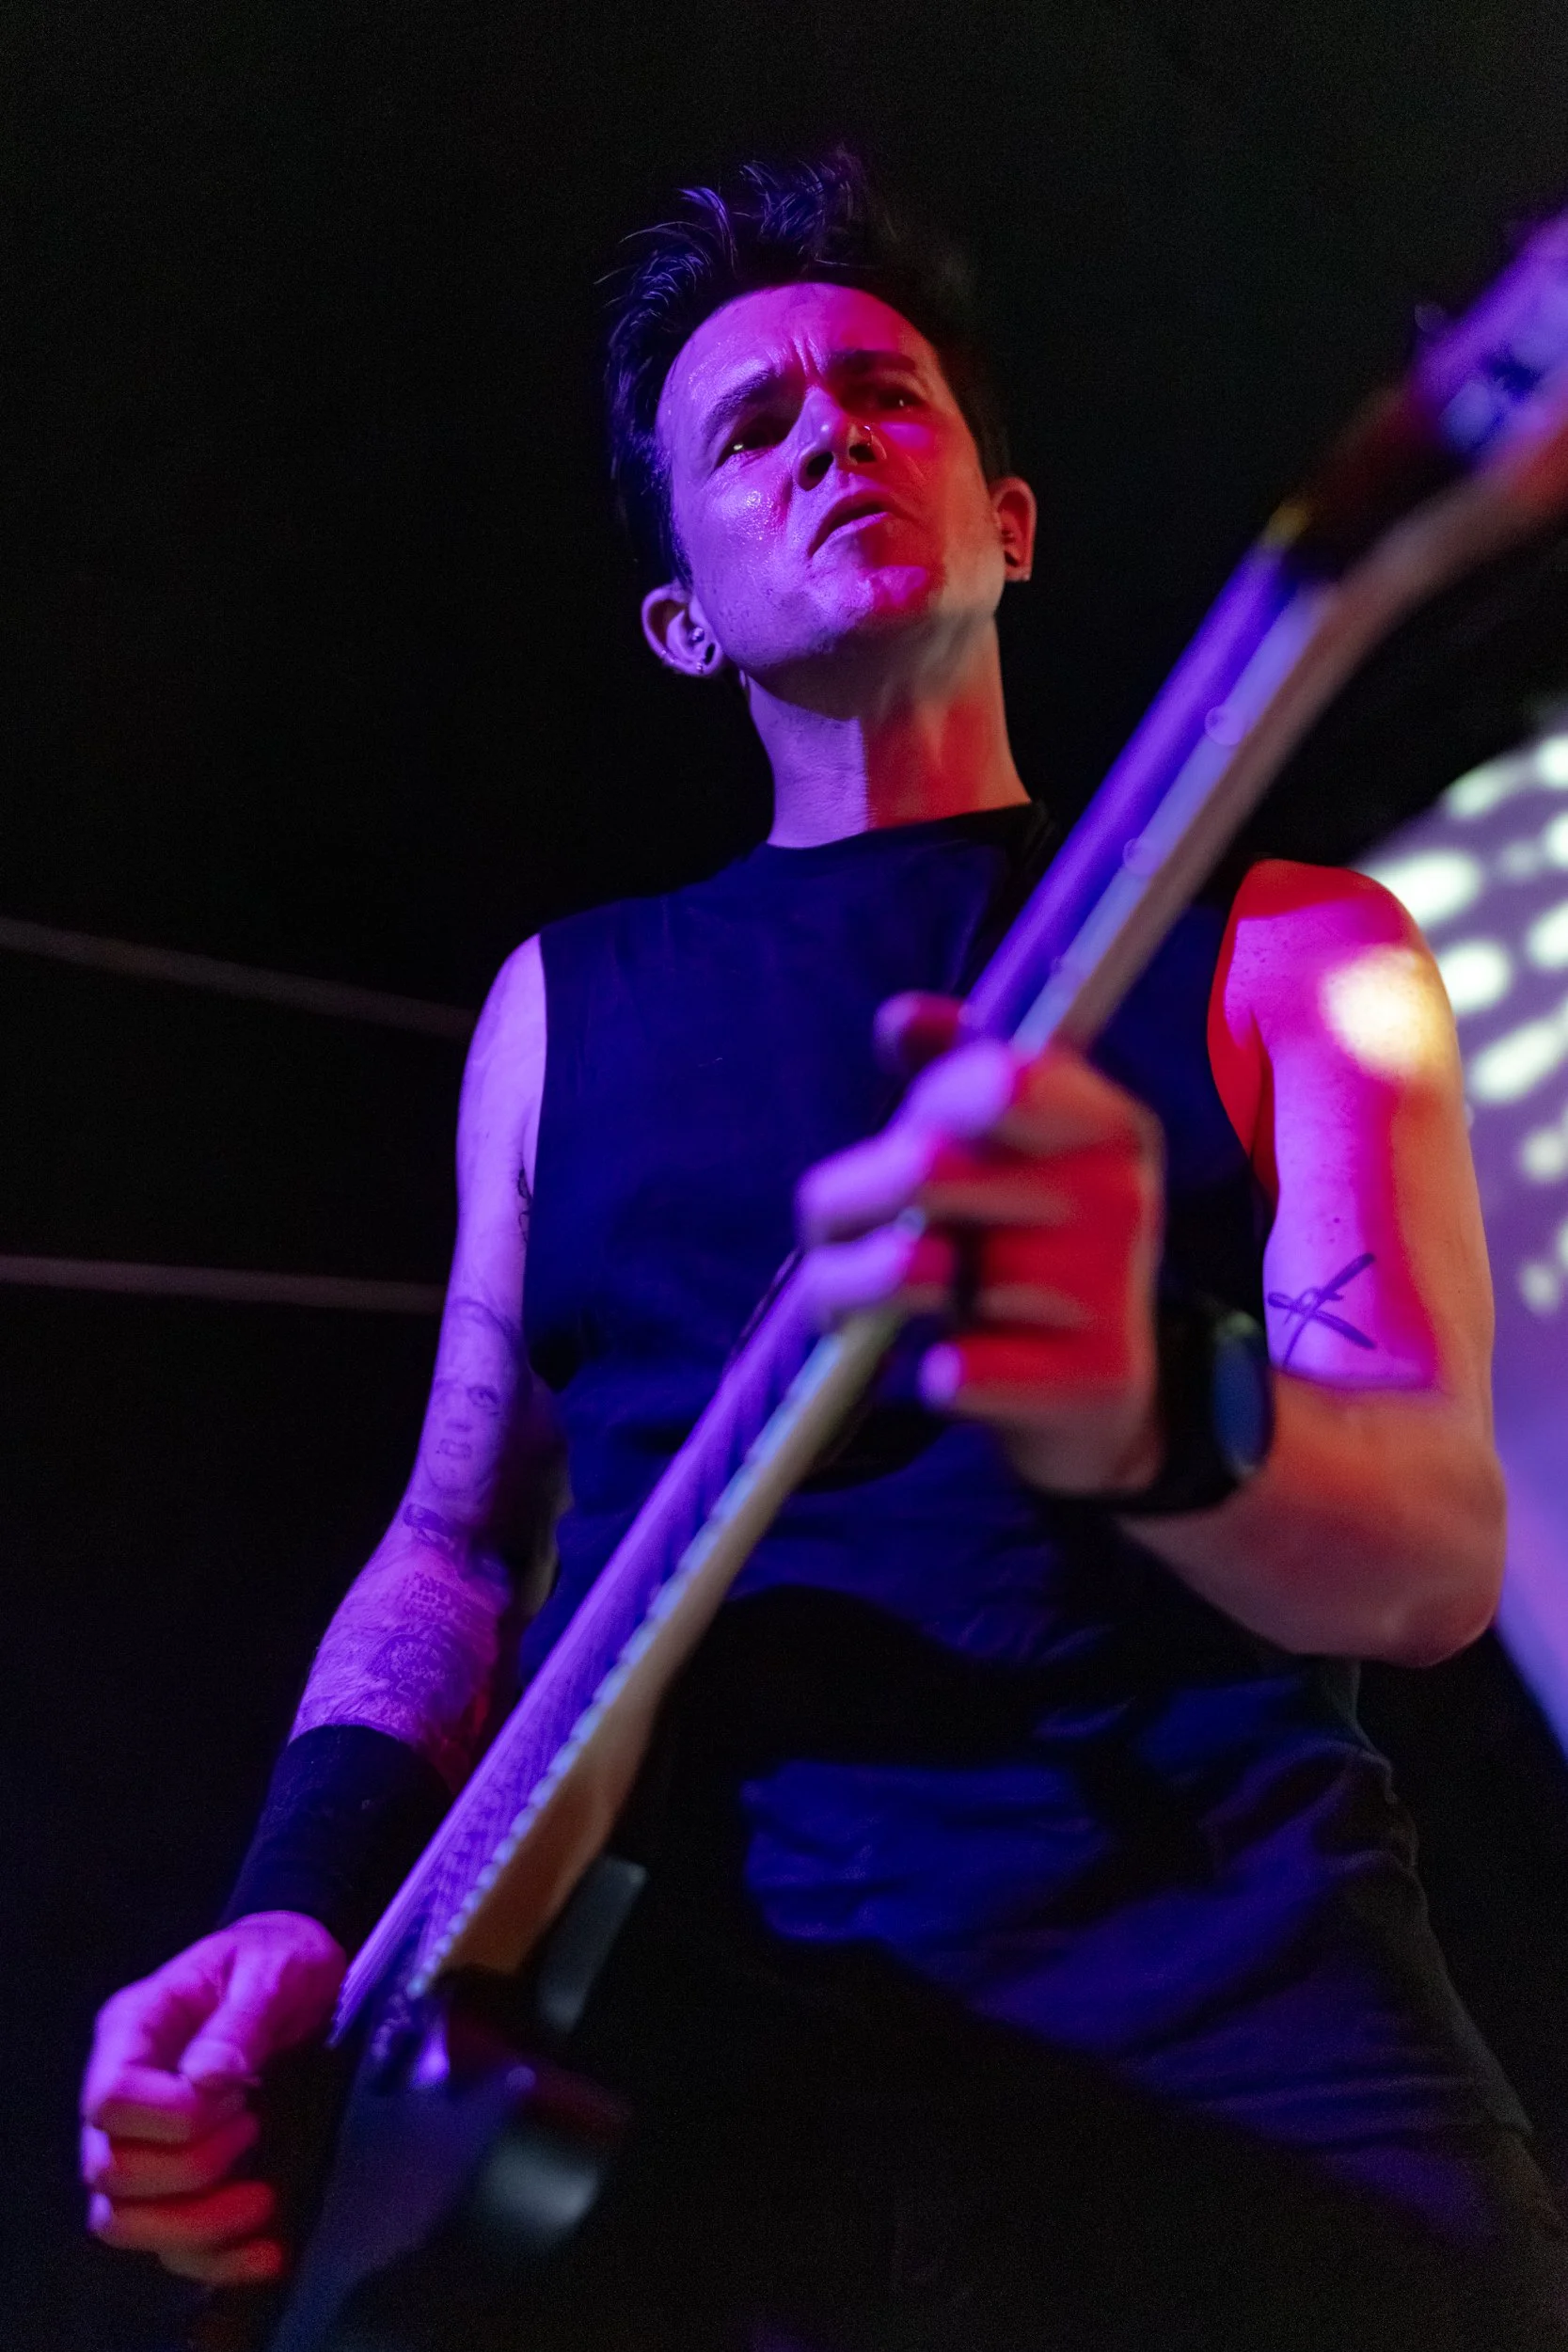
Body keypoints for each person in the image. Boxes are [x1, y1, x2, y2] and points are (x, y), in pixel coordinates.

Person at [80, 152, 1568, 2349]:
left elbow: (1428, 1553)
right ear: (679, 615)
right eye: (749, 428)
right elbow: (454, 1538)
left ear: (1008, 523)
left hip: (1252, 2076)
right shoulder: (560, 1005)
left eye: (881, 397)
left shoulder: (1295, 949)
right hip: (701, 2116)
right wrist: (298, 1900)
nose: (826, 440)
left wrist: (1146, 1406)